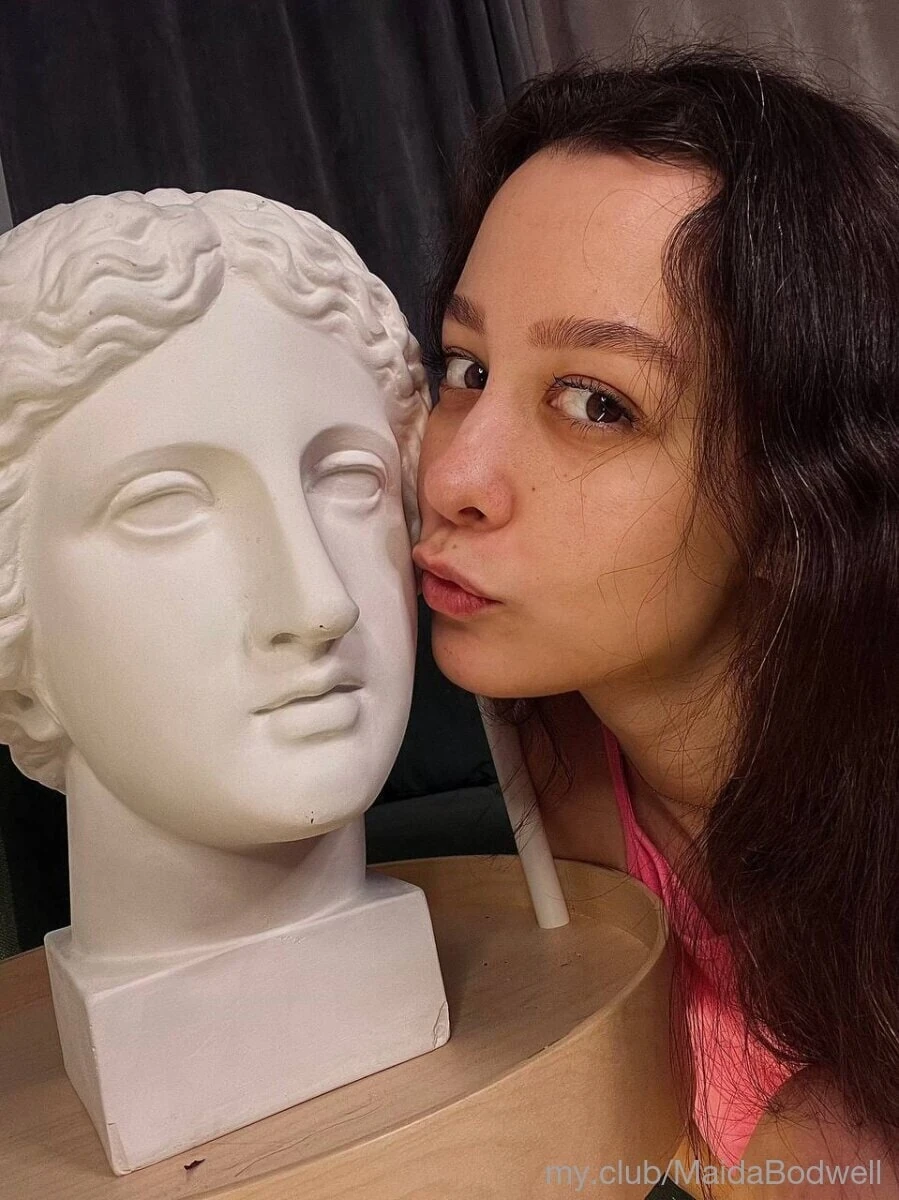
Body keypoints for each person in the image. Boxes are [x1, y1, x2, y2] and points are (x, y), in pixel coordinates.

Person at [413, 45, 899, 1197]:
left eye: (595, 402)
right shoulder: (549, 752)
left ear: (800, 496)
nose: (451, 477)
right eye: (465, 368)